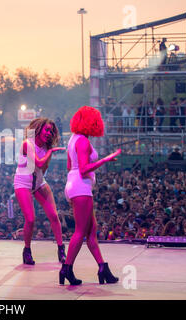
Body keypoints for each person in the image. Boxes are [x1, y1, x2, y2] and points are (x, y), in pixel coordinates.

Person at [60, 106, 121, 285]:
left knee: (91, 231)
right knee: (80, 231)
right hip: (81, 187)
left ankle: (103, 269)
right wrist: (105, 160)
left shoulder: (73, 139)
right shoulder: (83, 142)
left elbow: (70, 166)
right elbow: (85, 168)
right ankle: (66, 268)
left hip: (72, 184)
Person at [14, 118, 66, 265]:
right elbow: (39, 162)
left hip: (38, 182)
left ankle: (61, 249)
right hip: (22, 183)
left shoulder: (45, 147)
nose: (49, 133)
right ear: (38, 129)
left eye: (51, 131)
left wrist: (48, 151)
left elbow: (42, 169)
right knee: (30, 219)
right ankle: (27, 251)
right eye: (47, 130)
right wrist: (50, 152)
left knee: (54, 216)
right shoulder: (27, 143)